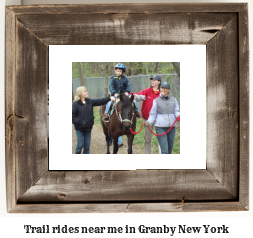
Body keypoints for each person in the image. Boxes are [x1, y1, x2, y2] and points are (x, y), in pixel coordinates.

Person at [72, 86, 115, 154]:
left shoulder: (89, 101)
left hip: (88, 128)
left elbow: (100, 101)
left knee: (87, 146)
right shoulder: (75, 104)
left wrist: (109, 98)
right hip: (79, 128)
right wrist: (81, 123)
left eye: (86, 91)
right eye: (85, 92)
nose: (87, 92)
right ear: (80, 94)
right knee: (80, 145)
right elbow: (72, 117)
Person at [145, 81, 180, 154]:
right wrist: (149, 122)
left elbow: (176, 111)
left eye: (166, 88)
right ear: (160, 89)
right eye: (162, 88)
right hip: (160, 128)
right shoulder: (156, 101)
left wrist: (179, 116)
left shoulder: (174, 100)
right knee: (164, 151)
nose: (163, 90)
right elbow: (153, 114)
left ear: (169, 90)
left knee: (169, 150)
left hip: (171, 128)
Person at [130, 75, 161, 154]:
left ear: (159, 82)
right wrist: (133, 95)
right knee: (147, 138)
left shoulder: (162, 93)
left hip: (159, 119)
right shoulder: (147, 91)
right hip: (148, 119)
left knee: (161, 138)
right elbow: (139, 96)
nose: (152, 81)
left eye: (154, 80)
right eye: (152, 80)